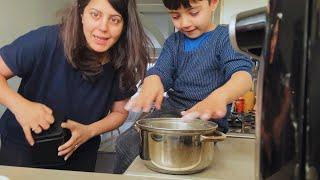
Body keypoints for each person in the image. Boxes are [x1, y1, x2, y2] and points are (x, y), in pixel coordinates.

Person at [0, 0, 152, 172]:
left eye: (115, 20)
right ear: (81, 14)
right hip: (22, 150)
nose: (103, 27)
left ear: (125, 24)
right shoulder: (46, 40)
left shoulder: (123, 61)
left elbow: (120, 112)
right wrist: (21, 107)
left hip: (81, 153)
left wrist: (89, 131)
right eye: (95, 14)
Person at [114, 0, 253, 173]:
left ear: (213, 3)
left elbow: (243, 76)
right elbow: (161, 71)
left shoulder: (225, 38)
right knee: (124, 144)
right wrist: (153, 79)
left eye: (193, 13)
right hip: (170, 113)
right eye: (175, 16)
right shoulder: (174, 42)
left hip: (205, 121)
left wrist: (219, 97)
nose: (184, 23)